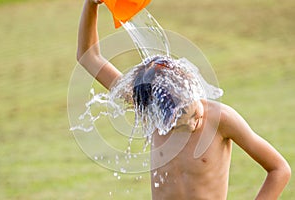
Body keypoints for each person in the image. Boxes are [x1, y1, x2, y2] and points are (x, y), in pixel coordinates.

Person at [76, 1, 291, 199]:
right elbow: (89, 57)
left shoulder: (221, 119)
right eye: (180, 121)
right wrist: (91, 4)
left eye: (194, 112)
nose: (194, 121)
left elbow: (279, 169)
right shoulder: (152, 112)